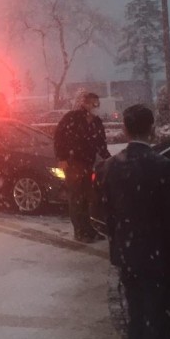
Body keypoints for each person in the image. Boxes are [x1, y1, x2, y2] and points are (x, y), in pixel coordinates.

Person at [95, 104, 170, 339]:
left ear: (124, 127)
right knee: (159, 325)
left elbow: (104, 211)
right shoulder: (162, 166)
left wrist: (119, 241)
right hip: (159, 259)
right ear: (152, 128)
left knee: (137, 321)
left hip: (129, 256)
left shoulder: (111, 166)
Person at [53, 90, 109, 242]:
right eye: (94, 103)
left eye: (98, 104)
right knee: (76, 197)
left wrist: (108, 159)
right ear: (85, 103)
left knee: (87, 197)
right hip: (73, 163)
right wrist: (62, 157)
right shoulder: (72, 118)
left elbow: (100, 144)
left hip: (87, 163)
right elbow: (59, 137)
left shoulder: (96, 122)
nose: (97, 106)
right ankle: (80, 231)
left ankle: (88, 228)